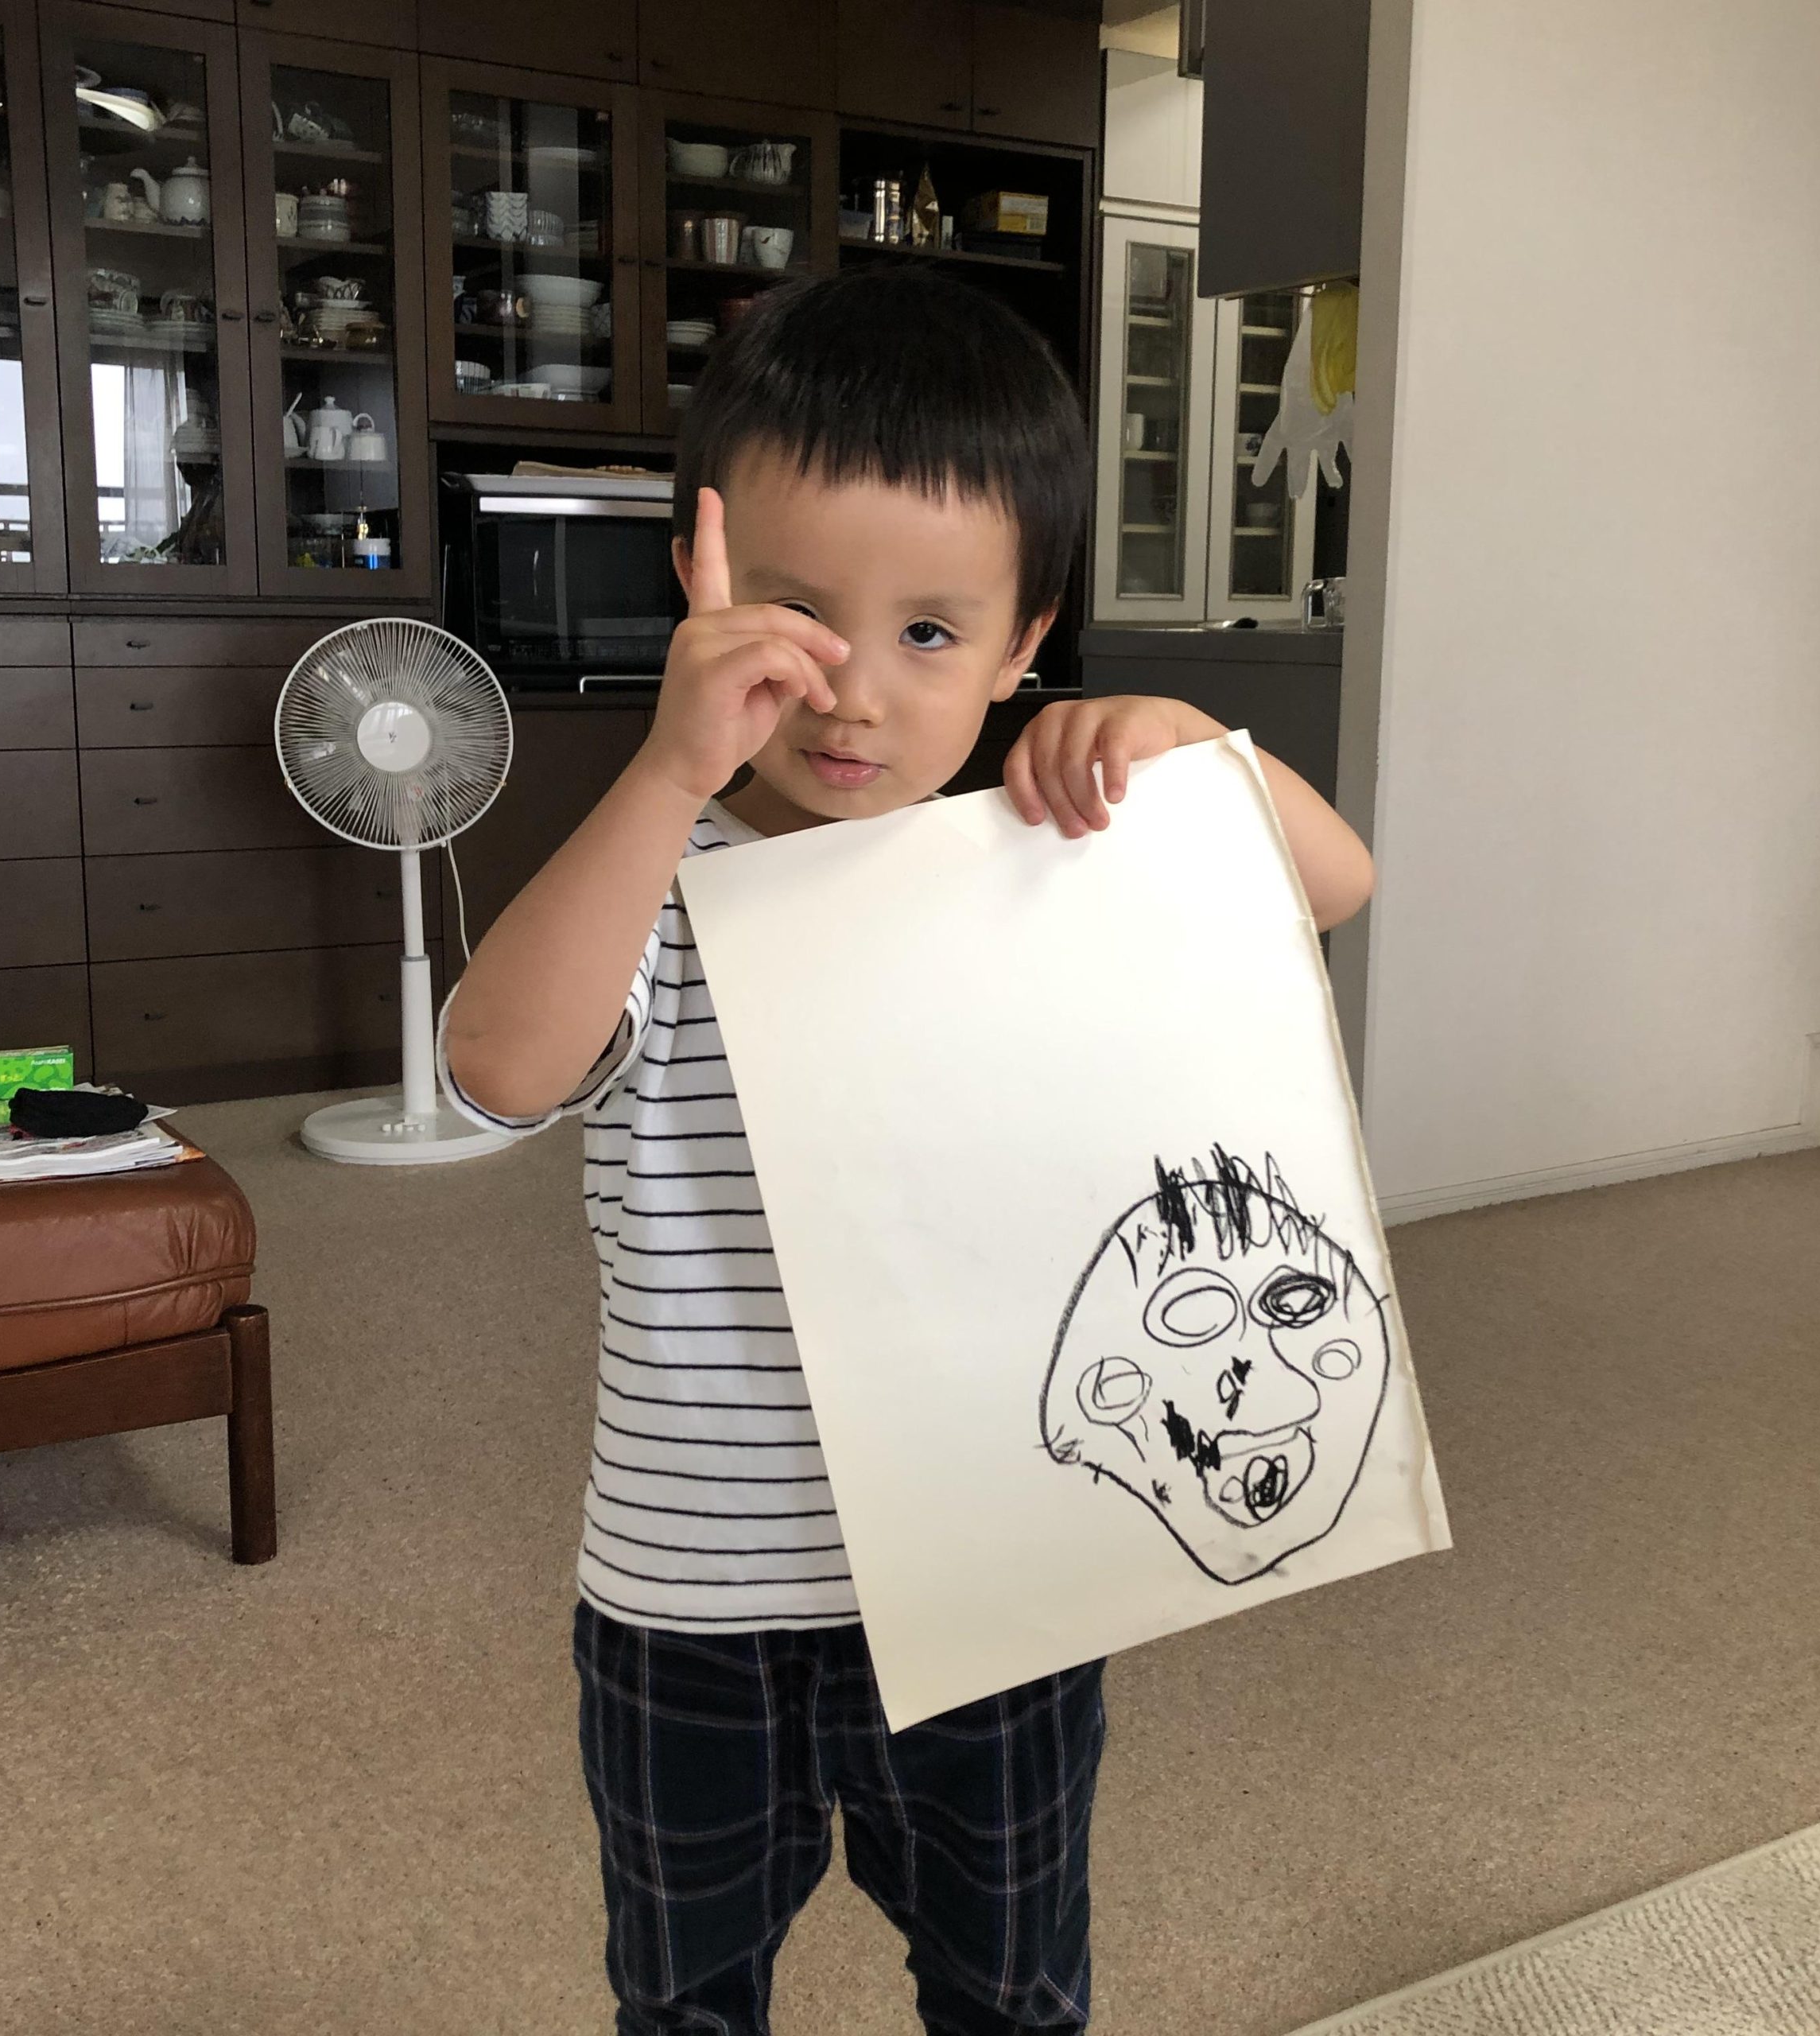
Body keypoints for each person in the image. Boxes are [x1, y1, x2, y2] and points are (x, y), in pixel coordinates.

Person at [436, 264, 1376, 2036]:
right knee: (683, 1998)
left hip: (988, 1572)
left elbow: (1333, 884)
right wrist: (661, 777)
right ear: (699, 582)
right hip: (694, 1600)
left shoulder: (1047, 859)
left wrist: (1194, 750)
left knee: (1011, 1989)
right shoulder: (653, 885)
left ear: (1026, 645)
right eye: (793, 614)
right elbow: (494, 1069)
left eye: (933, 633)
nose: (850, 693)